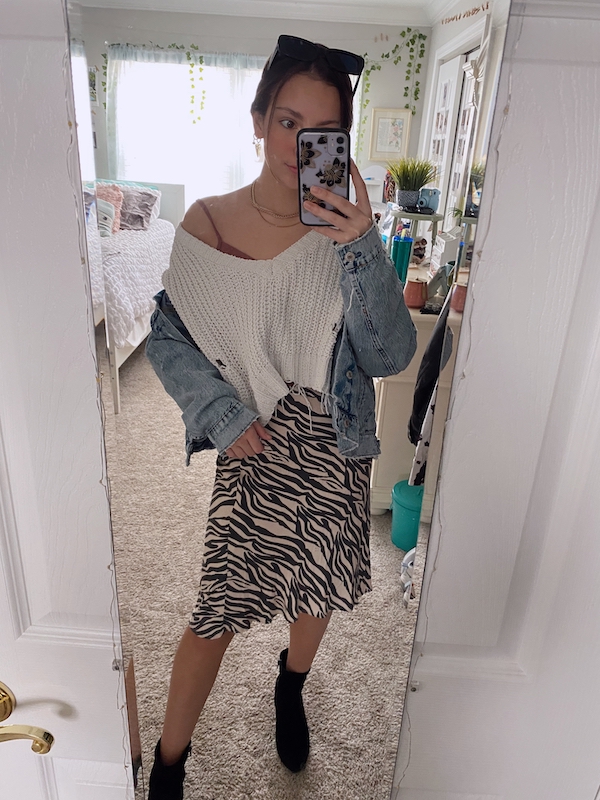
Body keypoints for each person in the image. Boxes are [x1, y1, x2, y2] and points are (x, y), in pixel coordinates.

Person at [144, 34, 417, 800]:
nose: (301, 147)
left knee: (318, 588)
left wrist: (362, 246)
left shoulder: (347, 231)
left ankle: (290, 684)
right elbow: (167, 337)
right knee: (217, 610)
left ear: (342, 144)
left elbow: (389, 354)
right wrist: (218, 413)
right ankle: (167, 763)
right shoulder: (207, 223)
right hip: (255, 441)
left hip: (336, 439)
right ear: (260, 120)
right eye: (288, 122)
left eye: (322, 132)